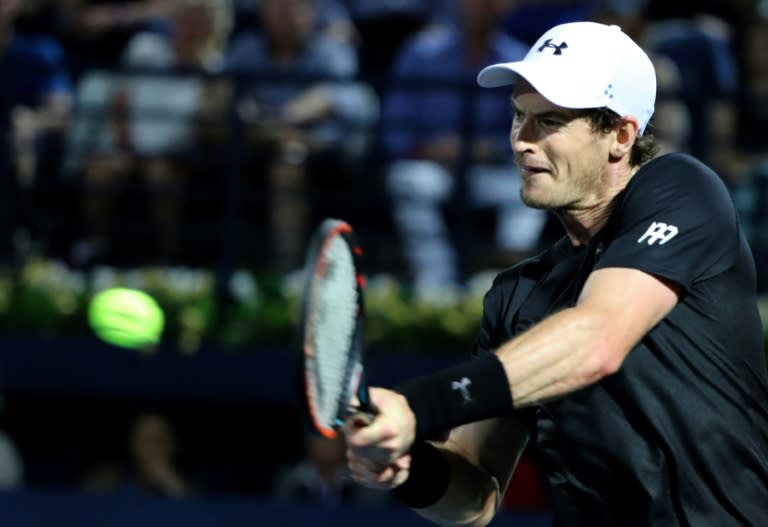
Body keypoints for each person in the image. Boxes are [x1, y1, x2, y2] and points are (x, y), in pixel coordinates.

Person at [342, 21, 768, 526]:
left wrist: (417, 406)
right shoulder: (516, 293)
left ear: (621, 135)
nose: (522, 141)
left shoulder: (685, 189)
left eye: (550, 121)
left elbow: (597, 339)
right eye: (519, 116)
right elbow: (476, 499)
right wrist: (411, 468)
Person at [381, 0, 547, 300]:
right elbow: (395, 127)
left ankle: (503, 283)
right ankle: (435, 287)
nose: (483, 8)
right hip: (430, 165)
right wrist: (430, 149)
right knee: (410, 182)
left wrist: (486, 148)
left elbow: (533, 131)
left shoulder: (520, 60)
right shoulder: (421, 53)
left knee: (533, 185)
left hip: (492, 167)